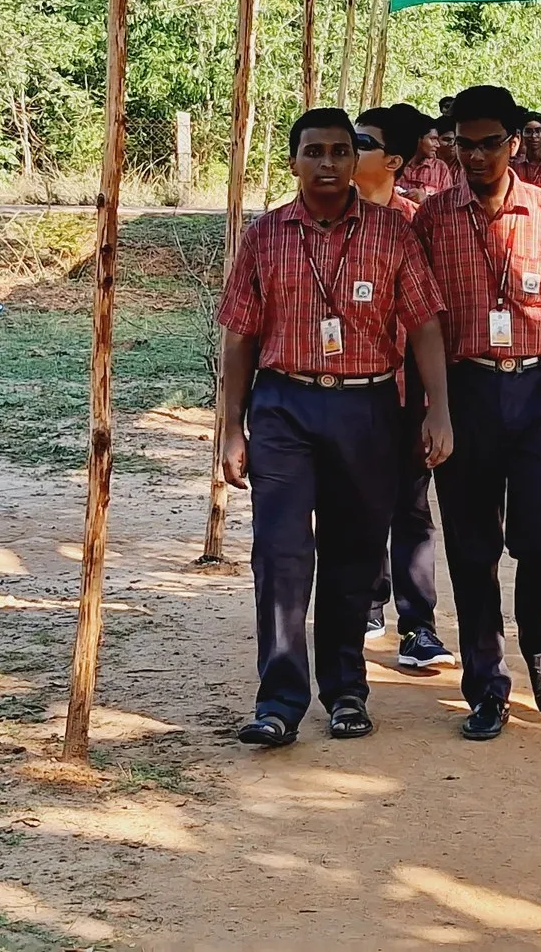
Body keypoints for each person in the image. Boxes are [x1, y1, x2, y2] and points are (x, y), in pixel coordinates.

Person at [214, 107, 454, 747]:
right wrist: (231, 428)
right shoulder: (265, 236)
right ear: (293, 161)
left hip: (369, 408)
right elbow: (239, 335)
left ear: (357, 160)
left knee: (353, 556)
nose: (327, 164)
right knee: (281, 554)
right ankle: (279, 700)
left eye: (340, 152)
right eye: (314, 152)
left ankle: (346, 692)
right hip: (284, 407)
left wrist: (437, 409)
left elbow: (426, 324)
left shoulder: (391, 234)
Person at [411, 84, 541, 741]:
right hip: (464, 392)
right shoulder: (434, 218)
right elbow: (422, 320)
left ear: (513, 141)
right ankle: (485, 685)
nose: (475, 155)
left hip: (534, 390)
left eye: (488, 142)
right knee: (471, 547)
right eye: (463, 143)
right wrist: (430, 409)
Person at [350, 104, 458, 672]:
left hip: (405, 384)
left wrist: (437, 403)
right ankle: (366, 602)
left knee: (411, 505)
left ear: (394, 160)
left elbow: (431, 318)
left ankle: (419, 626)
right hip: (344, 390)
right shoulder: (319, 218)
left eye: (359, 141)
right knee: (354, 501)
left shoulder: (417, 223)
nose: (344, 149)